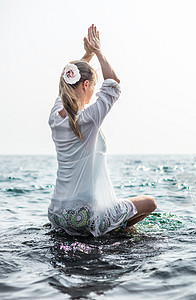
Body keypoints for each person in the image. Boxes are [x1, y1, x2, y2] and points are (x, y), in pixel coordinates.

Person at [48, 24, 157, 237]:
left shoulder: (54, 116)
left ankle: (110, 227)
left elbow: (65, 85)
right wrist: (98, 51)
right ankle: (115, 231)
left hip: (57, 213)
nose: (94, 92)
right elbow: (113, 83)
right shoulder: (87, 119)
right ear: (86, 85)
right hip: (83, 216)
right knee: (149, 203)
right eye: (93, 87)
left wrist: (86, 56)